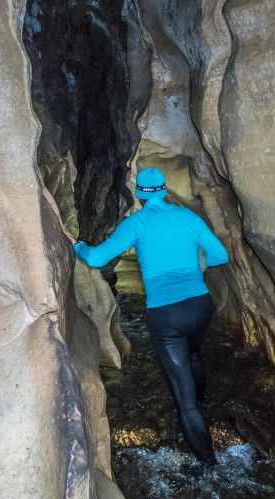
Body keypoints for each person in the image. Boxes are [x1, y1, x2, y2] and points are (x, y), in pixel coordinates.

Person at [73, 167, 229, 465]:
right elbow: (220, 256)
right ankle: (203, 401)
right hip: (200, 305)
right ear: (163, 190)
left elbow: (95, 258)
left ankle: (210, 464)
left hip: (166, 314)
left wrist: (77, 245)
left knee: (184, 402)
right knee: (194, 354)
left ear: (140, 195)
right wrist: (196, 269)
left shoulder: (138, 223)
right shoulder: (187, 217)